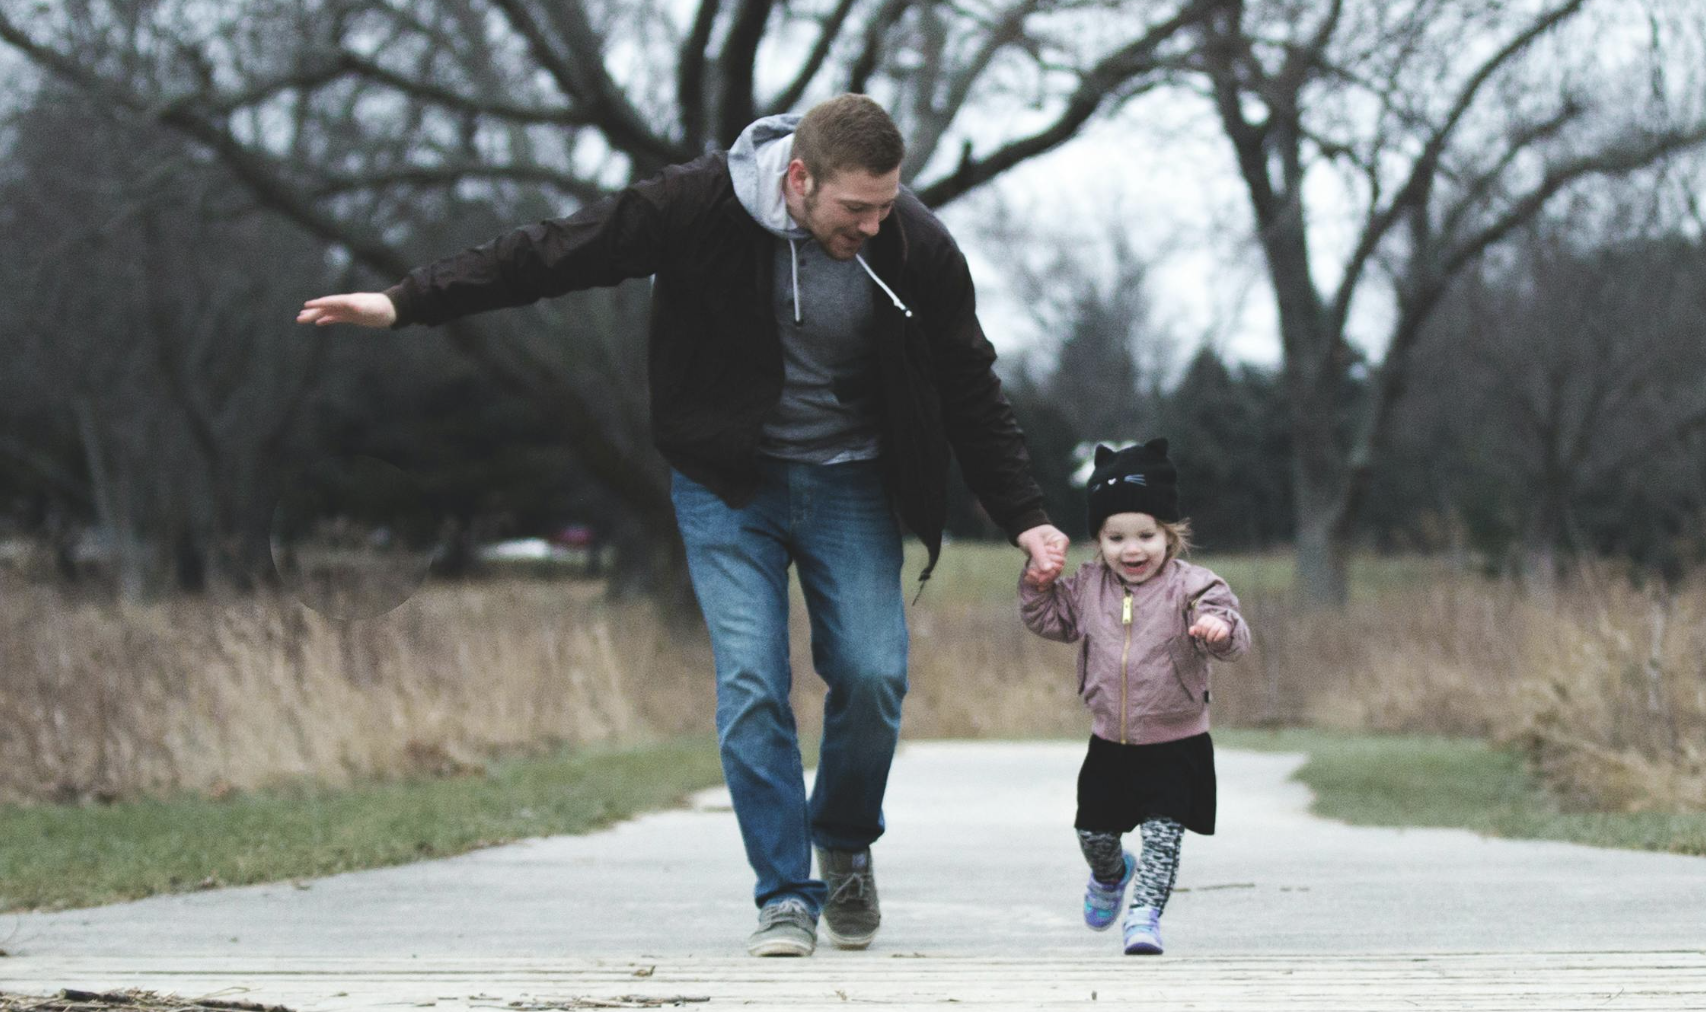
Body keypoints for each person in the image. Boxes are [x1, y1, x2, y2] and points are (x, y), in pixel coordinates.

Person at [297, 94, 1069, 957]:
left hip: (849, 481)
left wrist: (1027, 520)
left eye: (887, 204)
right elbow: (555, 252)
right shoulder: (697, 203)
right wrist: (405, 302)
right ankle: (785, 893)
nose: (873, 224)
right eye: (856, 209)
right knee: (751, 684)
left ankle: (845, 838)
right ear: (799, 177)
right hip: (726, 482)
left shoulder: (914, 244)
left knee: (874, 674)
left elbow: (970, 383)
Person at [1016, 437, 1251, 955]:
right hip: (1109, 742)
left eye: (1146, 534)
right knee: (1094, 836)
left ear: (1170, 535)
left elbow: (1235, 632)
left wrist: (1219, 628)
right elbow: (1048, 620)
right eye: (1116, 537)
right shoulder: (1086, 587)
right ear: (1098, 541)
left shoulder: (1194, 587)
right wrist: (1036, 586)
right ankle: (1112, 872)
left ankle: (1144, 918)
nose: (1132, 549)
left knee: (1164, 840)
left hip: (1176, 743)